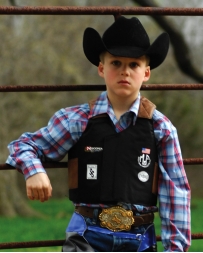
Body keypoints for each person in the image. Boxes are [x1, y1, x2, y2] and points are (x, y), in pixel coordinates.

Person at [6, 16, 191, 252]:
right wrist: (34, 171)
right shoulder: (77, 120)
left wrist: (176, 248)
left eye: (134, 65)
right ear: (102, 69)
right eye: (116, 63)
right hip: (86, 234)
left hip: (140, 237)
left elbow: (176, 192)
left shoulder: (161, 128)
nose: (125, 71)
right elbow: (24, 145)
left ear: (146, 73)